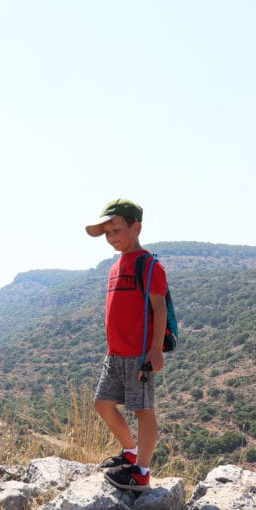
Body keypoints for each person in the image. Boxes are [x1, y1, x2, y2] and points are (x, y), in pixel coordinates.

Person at [84, 198, 168, 492]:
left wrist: (155, 349)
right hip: (115, 353)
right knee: (102, 404)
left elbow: (159, 309)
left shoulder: (149, 265)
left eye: (117, 230)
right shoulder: (115, 266)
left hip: (138, 353)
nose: (112, 237)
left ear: (137, 227)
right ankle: (130, 453)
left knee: (143, 410)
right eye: (107, 233)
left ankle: (141, 473)